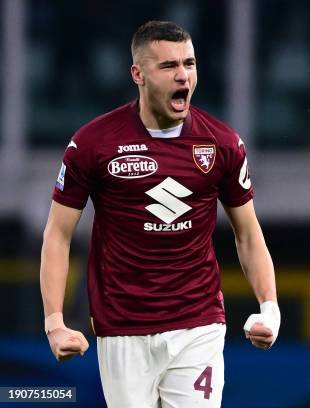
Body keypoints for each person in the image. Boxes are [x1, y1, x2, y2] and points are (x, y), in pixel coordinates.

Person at [39, 20, 280, 408]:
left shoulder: (222, 144)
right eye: (168, 66)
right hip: (122, 328)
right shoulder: (92, 144)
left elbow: (248, 234)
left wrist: (270, 309)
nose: (183, 75)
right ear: (138, 74)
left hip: (198, 323)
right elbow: (58, 234)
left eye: (189, 63)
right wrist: (55, 323)